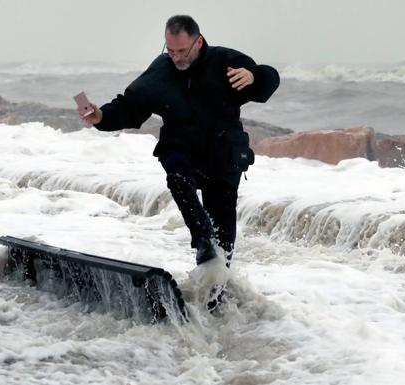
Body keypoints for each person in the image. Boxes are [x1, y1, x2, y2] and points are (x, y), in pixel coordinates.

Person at [78, 15, 279, 270]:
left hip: (223, 156)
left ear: (199, 42)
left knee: (223, 247)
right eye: (170, 50)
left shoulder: (224, 61)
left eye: (182, 50)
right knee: (178, 177)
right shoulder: (162, 69)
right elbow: (132, 105)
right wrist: (102, 116)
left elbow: (270, 78)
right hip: (182, 150)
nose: (176, 57)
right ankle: (202, 239)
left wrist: (254, 76)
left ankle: (216, 297)